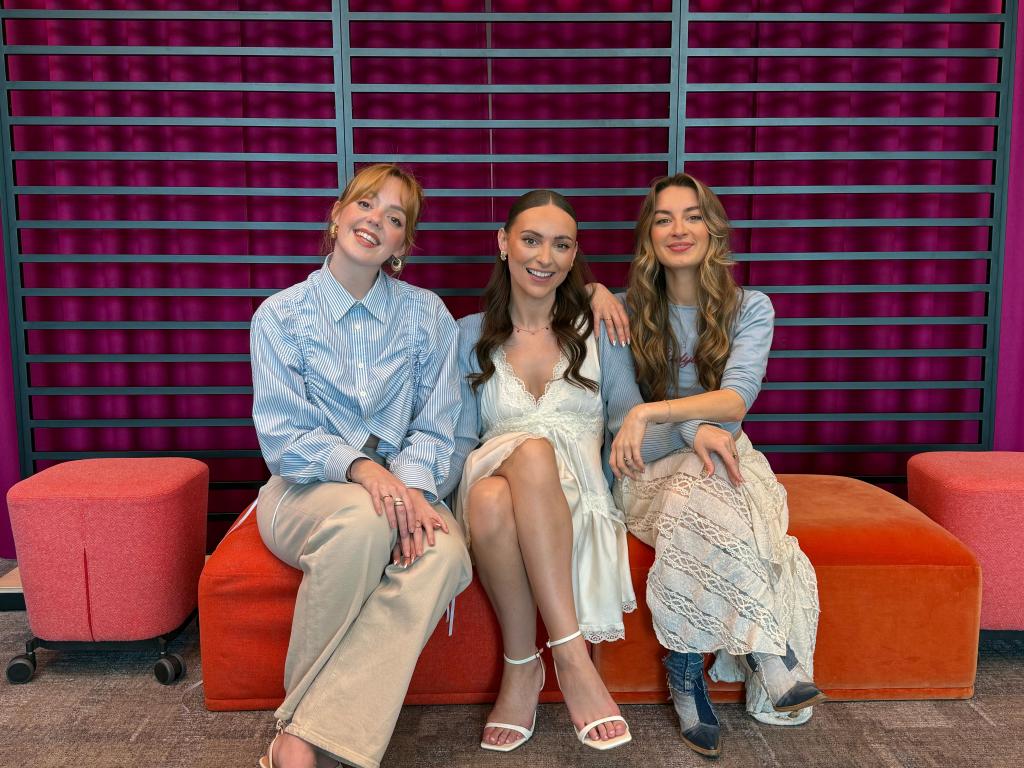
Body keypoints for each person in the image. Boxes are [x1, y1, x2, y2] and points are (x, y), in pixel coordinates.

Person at [249, 164, 472, 768]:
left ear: (402, 244)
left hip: (402, 487)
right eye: (366, 204)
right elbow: (283, 438)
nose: (376, 220)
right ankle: (305, 729)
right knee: (362, 520)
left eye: (394, 217)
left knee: (447, 555)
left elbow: (436, 426)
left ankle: (303, 735)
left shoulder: (427, 316)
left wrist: (411, 490)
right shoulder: (280, 315)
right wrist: (362, 469)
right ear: (337, 215)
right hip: (303, 490)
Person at [604, 173, 824, 758]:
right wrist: (689, 427)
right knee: (699, 477)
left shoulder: (752, 308)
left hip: (725, 461)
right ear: (648, 236)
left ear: (714, 229)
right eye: (664, 219)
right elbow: (625, 423)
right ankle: (770, 652)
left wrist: (660, 412)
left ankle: (684, 674)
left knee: (705, 480)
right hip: (645, 470)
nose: (679, 229)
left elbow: (736, 401)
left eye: (693, 215)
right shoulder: (621, 313)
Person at [439, 190, 637, 753]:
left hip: (570, 499)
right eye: (530, 240)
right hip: (491, 469)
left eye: (561, 245)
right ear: (503, 243)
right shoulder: (467, 334)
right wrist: (419, 501)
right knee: (525, 453)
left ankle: (522, 666)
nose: (544, 257)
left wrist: (687, 437)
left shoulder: (599, 326)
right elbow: (459, 439)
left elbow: (629, 418)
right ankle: (572, 658)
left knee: (493, 498)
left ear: (574, 256)